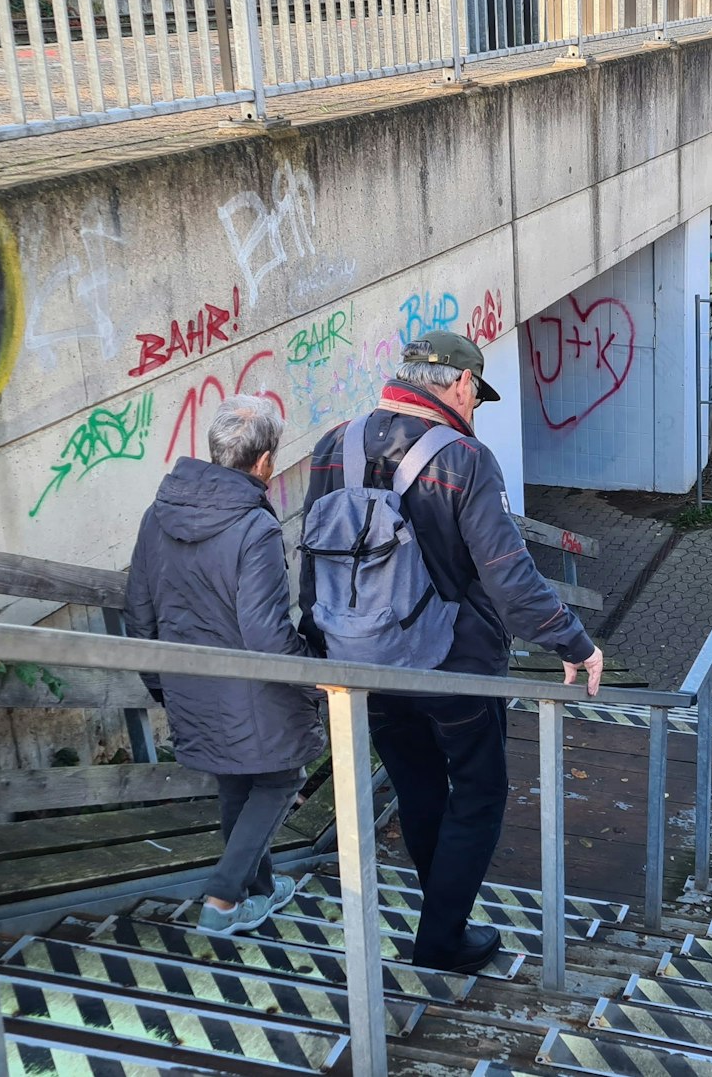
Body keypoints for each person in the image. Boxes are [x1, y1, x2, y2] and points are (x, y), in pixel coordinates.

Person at [300, 331, 604, 973]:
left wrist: (322, 642)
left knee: (417, 788)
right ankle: (441, 937)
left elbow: (313, 559)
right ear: (462, 384)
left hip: (363, 663)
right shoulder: (466, 459)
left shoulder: (334, 445)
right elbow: (509, 576)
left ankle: (442, 925)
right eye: (476, 395)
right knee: (479, 791)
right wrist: (572, 640)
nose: (474, 407)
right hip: (455, 669)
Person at [125, 394, 326, 936]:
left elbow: (139, 612)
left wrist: (162, 685)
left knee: (237, 781)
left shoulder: (157, 514)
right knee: (280, 780)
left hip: (190, 681)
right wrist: (316, 678)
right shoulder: (255, 527)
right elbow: (266, 635)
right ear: (265, 461)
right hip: (253, 690)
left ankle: (258, 892)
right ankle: (221, 898)